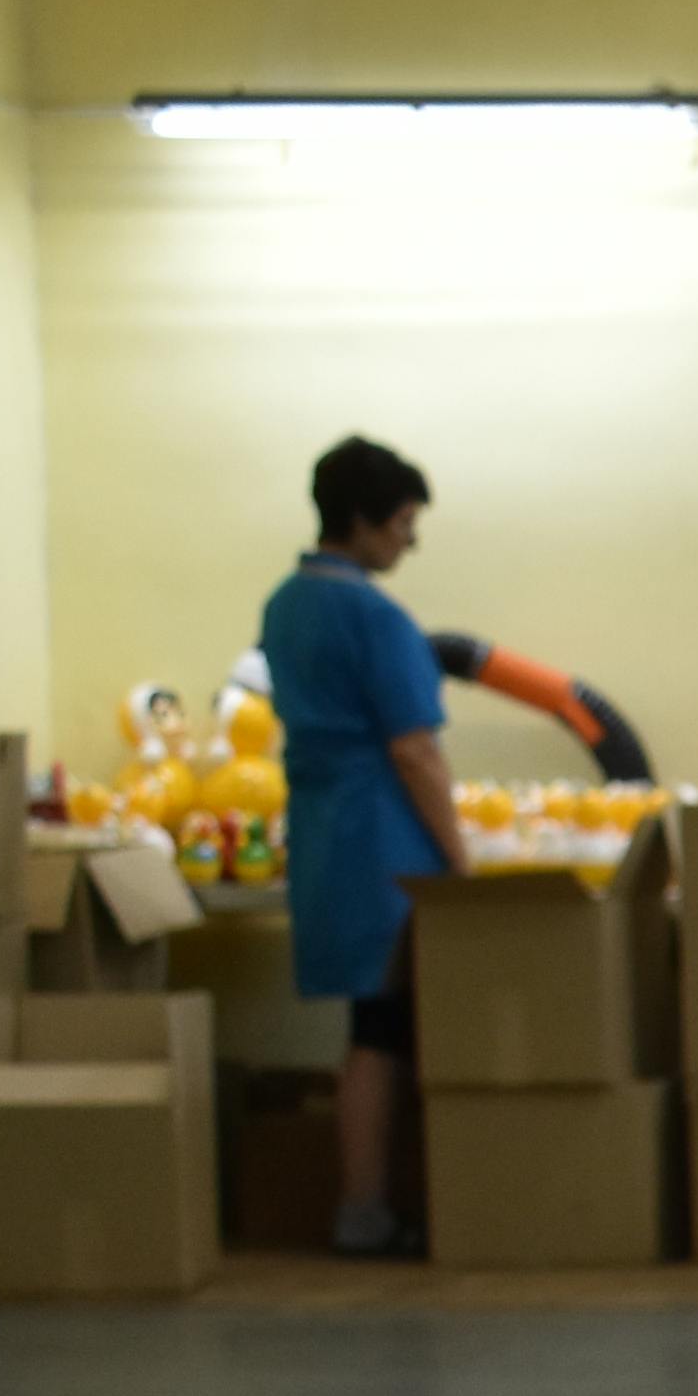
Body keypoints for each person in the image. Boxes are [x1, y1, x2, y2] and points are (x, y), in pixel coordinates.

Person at [257, 436, 466, 1256]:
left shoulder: (284, 604)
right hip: (384, 835)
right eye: (405, 521)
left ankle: (366, 1205)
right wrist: (459, 860)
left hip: (320, 830)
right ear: (364, 520)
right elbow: (415, 750)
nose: (409, 541)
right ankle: (370, 1208)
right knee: (388, 1027)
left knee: (367, 1023)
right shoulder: (375, 616)